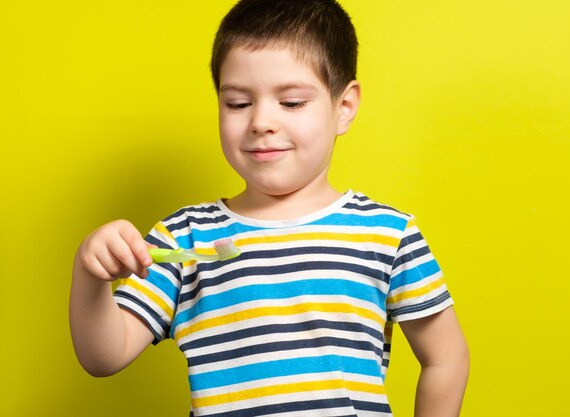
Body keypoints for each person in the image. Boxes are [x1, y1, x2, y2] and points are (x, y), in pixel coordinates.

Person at [69, 0, 470, 415]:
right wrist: (90, 274)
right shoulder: (185, 239)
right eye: (238, 104)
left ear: (344, 108)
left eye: (292, 102)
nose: (261, 121)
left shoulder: (387, 234)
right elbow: (104, 356)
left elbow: (447, 358)